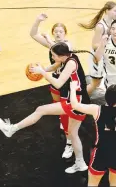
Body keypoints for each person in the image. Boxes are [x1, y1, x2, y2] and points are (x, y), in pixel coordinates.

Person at [0, 42, 91, 173]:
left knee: (41, 110)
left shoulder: (70, 63)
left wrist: (42, 73)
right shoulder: (67, 57)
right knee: (73, 134)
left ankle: (12, 129)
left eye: (53, 55)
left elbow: (58, 84)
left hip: (76, 101)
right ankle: (80, 163)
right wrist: (41, 69)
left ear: (61, 55)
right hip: (77, 100)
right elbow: (53, 66)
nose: (52, 57)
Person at [30, 13, 73, 159]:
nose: (58, 33)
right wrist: (38, 20)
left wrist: (42, 70)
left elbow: (57, 56)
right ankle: (64, 123)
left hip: (67, 82)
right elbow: (33, 34)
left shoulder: (68, 45)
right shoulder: (52, 44)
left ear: (65, 33)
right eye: (56, 32)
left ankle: (70, 141)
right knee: (57, 104)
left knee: (66, 108)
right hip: (55, 80)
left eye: (61, 31)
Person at [70, 82, 116, 187]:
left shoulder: (97, 109)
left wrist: (73, 88)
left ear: (105, 96)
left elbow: (75, 105)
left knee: (92, 184)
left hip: (101, 152)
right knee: (115, 183)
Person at [78, 1, 116, 95]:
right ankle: (80, 99)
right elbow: (94, 45)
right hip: (97, 58)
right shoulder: (100, 26)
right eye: (115, 10)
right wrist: (105, 43)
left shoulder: (113, 23)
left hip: (106, 56)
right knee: (95, 84)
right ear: (107, 11)